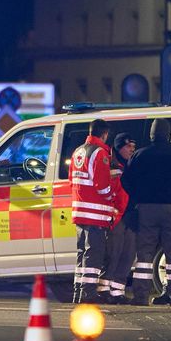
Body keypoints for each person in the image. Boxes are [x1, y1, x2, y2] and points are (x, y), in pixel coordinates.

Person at [121, 119, 171, 306]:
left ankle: (140, 297)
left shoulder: (140, 155)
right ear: (168, 133)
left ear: (151, 134)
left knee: (145, 255)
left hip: (146, 209)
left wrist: (138, 197)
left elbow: (126, 181)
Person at [69, 119, 113, 303]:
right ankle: (88, 294)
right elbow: (102, 186)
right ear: (104, 134)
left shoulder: (78, 151)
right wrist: (113, 197)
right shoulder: (100, 153)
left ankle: (78, 292)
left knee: (81, 252)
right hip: (95, 214)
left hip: (79, 211)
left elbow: (71, 181)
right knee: (93, 254)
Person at [98, 133, 137, 304]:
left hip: (129, 215)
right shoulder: (111, 164)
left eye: (133, 147)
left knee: (128, 255)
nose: (131, 150)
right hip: (116, 216)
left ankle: (117, 291)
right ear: (119, 146)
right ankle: (103, 290)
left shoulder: (130, 165)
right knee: (113, 254)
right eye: (128, 147)